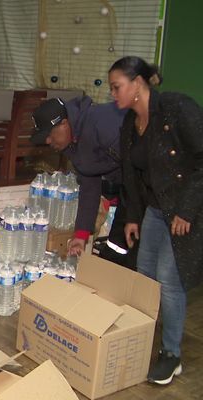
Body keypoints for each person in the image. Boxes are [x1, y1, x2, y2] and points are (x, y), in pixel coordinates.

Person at [109, 55, 203, 385]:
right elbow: (131, 176)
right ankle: (140, 339)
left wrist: (186, 211)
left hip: (188, 210)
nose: (113, 93)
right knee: (144, 275)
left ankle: (172, 354)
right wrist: (132, 217)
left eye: (116, 86)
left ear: (138, 83)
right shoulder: (129, 124)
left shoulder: (177, 108)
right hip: (154, 209)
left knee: (169, 279)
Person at [31, 96, 136, 267]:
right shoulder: (74, 143)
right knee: (115, 252)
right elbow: (89, 185)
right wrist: (81, 235)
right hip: (131, 191)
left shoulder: (103, 124)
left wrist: (134, 213)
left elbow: (139, 167)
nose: (47, 141)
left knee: (145, 259)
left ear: (64, 123)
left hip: (152, 188)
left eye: (49, 135)